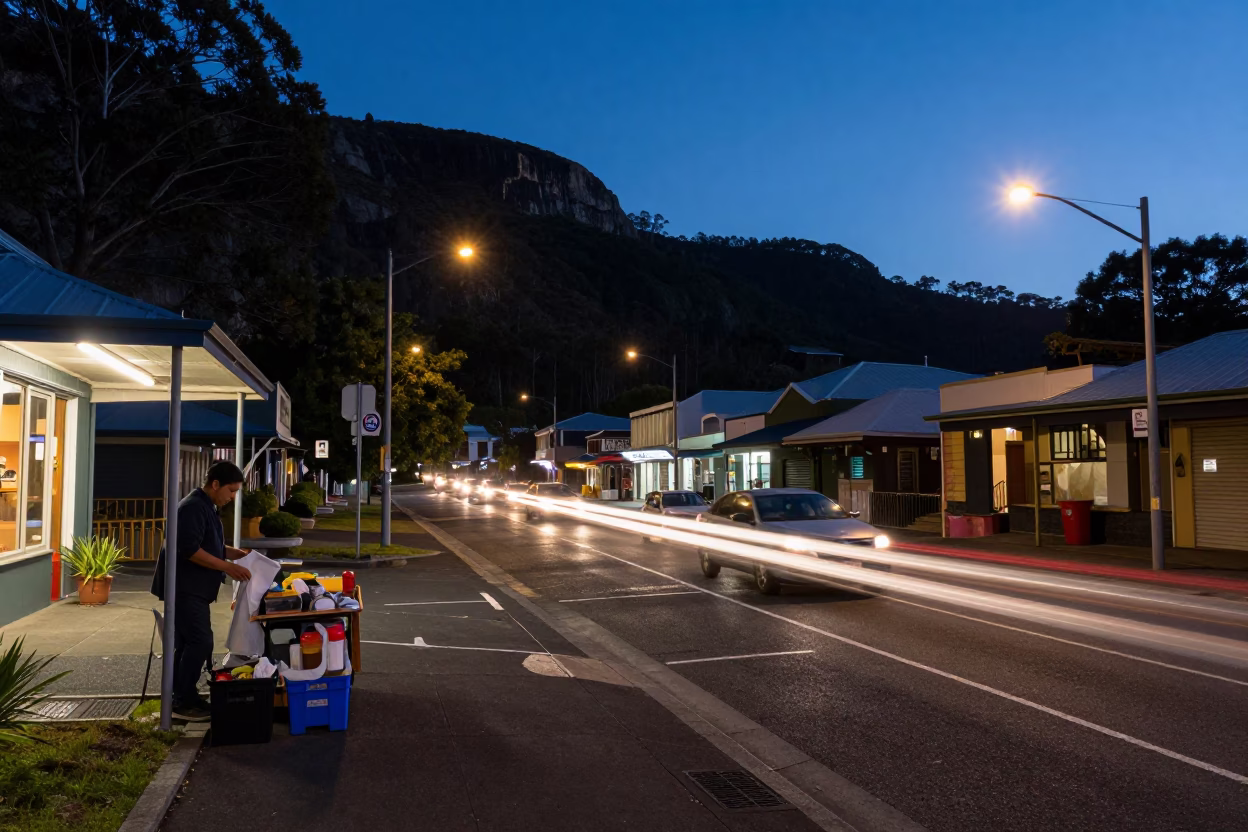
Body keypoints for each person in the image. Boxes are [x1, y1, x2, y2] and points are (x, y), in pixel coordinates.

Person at [152, 461, 253, 721]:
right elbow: (190, 550)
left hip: (193, 588)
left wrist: (237, 554)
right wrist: (229, 567)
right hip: (185, 587)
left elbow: (210, 543)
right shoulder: (193, 507)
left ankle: (181, 696)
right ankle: (183, 701)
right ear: (215, 484)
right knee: (200, 641)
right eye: (231, 491)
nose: (232, 498)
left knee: (188, 642)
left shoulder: (205, 505)